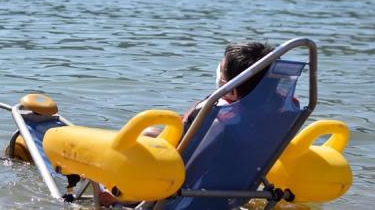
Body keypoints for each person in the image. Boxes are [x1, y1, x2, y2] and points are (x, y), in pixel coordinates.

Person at [100, 41, 275, 206]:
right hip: (233, 188)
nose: (218, 73)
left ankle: (119, 195)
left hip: (181, 187)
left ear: (233, 90)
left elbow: (190, 165)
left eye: (221, 71)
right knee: (152, 132)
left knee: (141, 138)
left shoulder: (219, 118)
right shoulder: (274, 110)